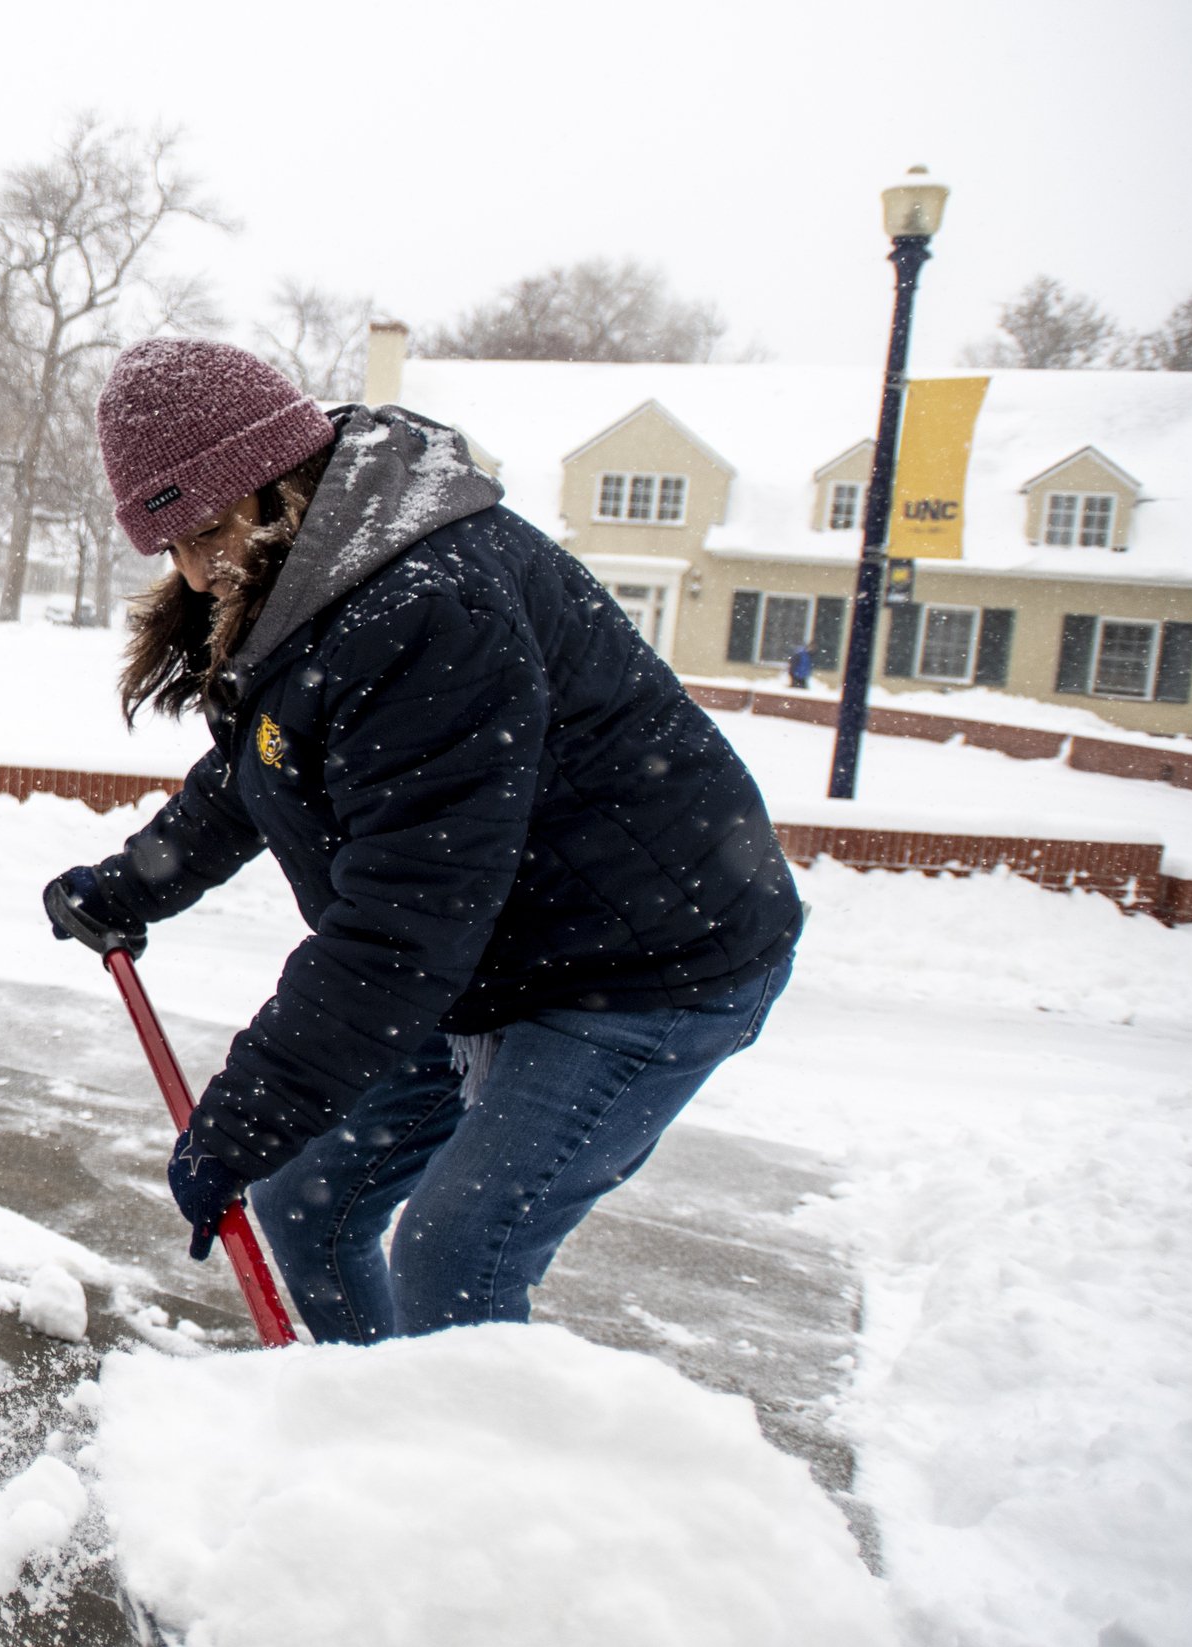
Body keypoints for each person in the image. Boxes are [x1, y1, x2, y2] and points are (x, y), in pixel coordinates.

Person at [44, 340, 800, 1342]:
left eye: (204, 533)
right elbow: (263, 760)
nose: (193, 573)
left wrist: (243, 1114)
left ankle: (458, 1486)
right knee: (307, 1208)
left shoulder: (423, 604)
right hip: (488, 953)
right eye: (169, 548)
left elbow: (403, 920)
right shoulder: (313, 582)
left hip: (646, 963)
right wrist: (136, 881)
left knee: (455, 1253)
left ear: (275, 486)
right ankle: (369, 1433)